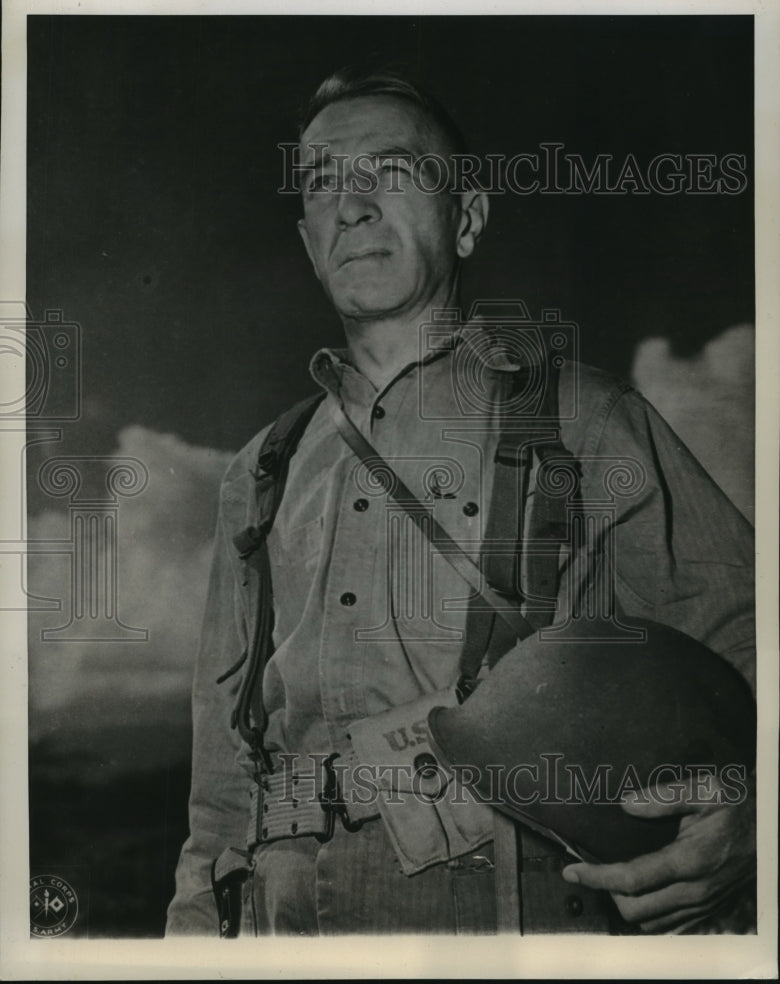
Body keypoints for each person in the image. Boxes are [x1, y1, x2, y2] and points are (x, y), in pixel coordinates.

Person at [166, 69, 756, 936]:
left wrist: (755, 822)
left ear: (468, 218)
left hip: (500, 912)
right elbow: (222, 784)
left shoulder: (585, 419)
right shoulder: (263, 469)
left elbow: (750, 645)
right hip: (272, 922)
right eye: (323, 181)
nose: (352, 204)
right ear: (307, 239)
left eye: (391, 171)